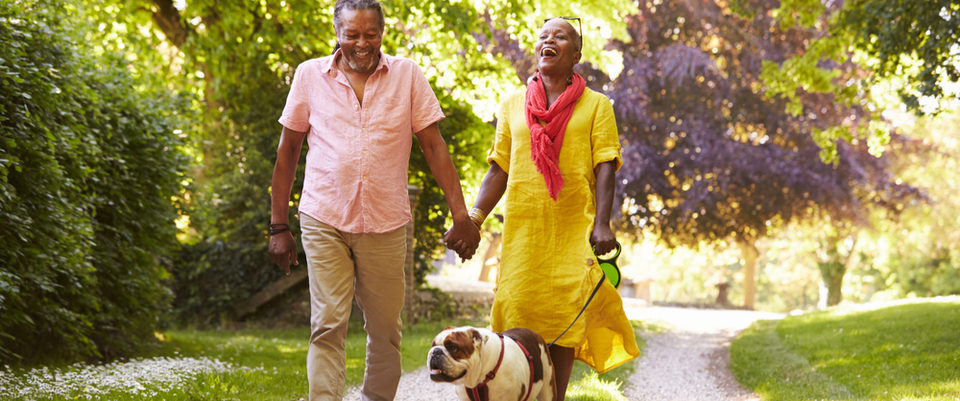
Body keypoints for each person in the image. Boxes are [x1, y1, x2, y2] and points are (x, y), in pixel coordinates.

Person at [267, 0, 480, 399]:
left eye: (370, 34)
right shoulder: (310, 75)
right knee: (328, 323)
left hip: (385, 221)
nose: (361, 44)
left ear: (383, 32)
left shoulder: (407, 76)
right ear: (337, 34)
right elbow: (288, 151)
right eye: (351, 35)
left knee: (385, 330)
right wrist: (279, 226)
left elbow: (434, 147)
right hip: (324, 215)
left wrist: (461, 215)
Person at [453, 17, 640, 400]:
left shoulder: (597, 106)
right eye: (544, 36)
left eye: (561, 36)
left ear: (577, 55)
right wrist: (473, 218)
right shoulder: (511, 105)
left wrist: (602, 223)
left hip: (573, 233)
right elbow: (498, 169)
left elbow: (606, 166)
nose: (549, 40)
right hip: (523, 235)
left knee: (563, 324)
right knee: (515, 323)